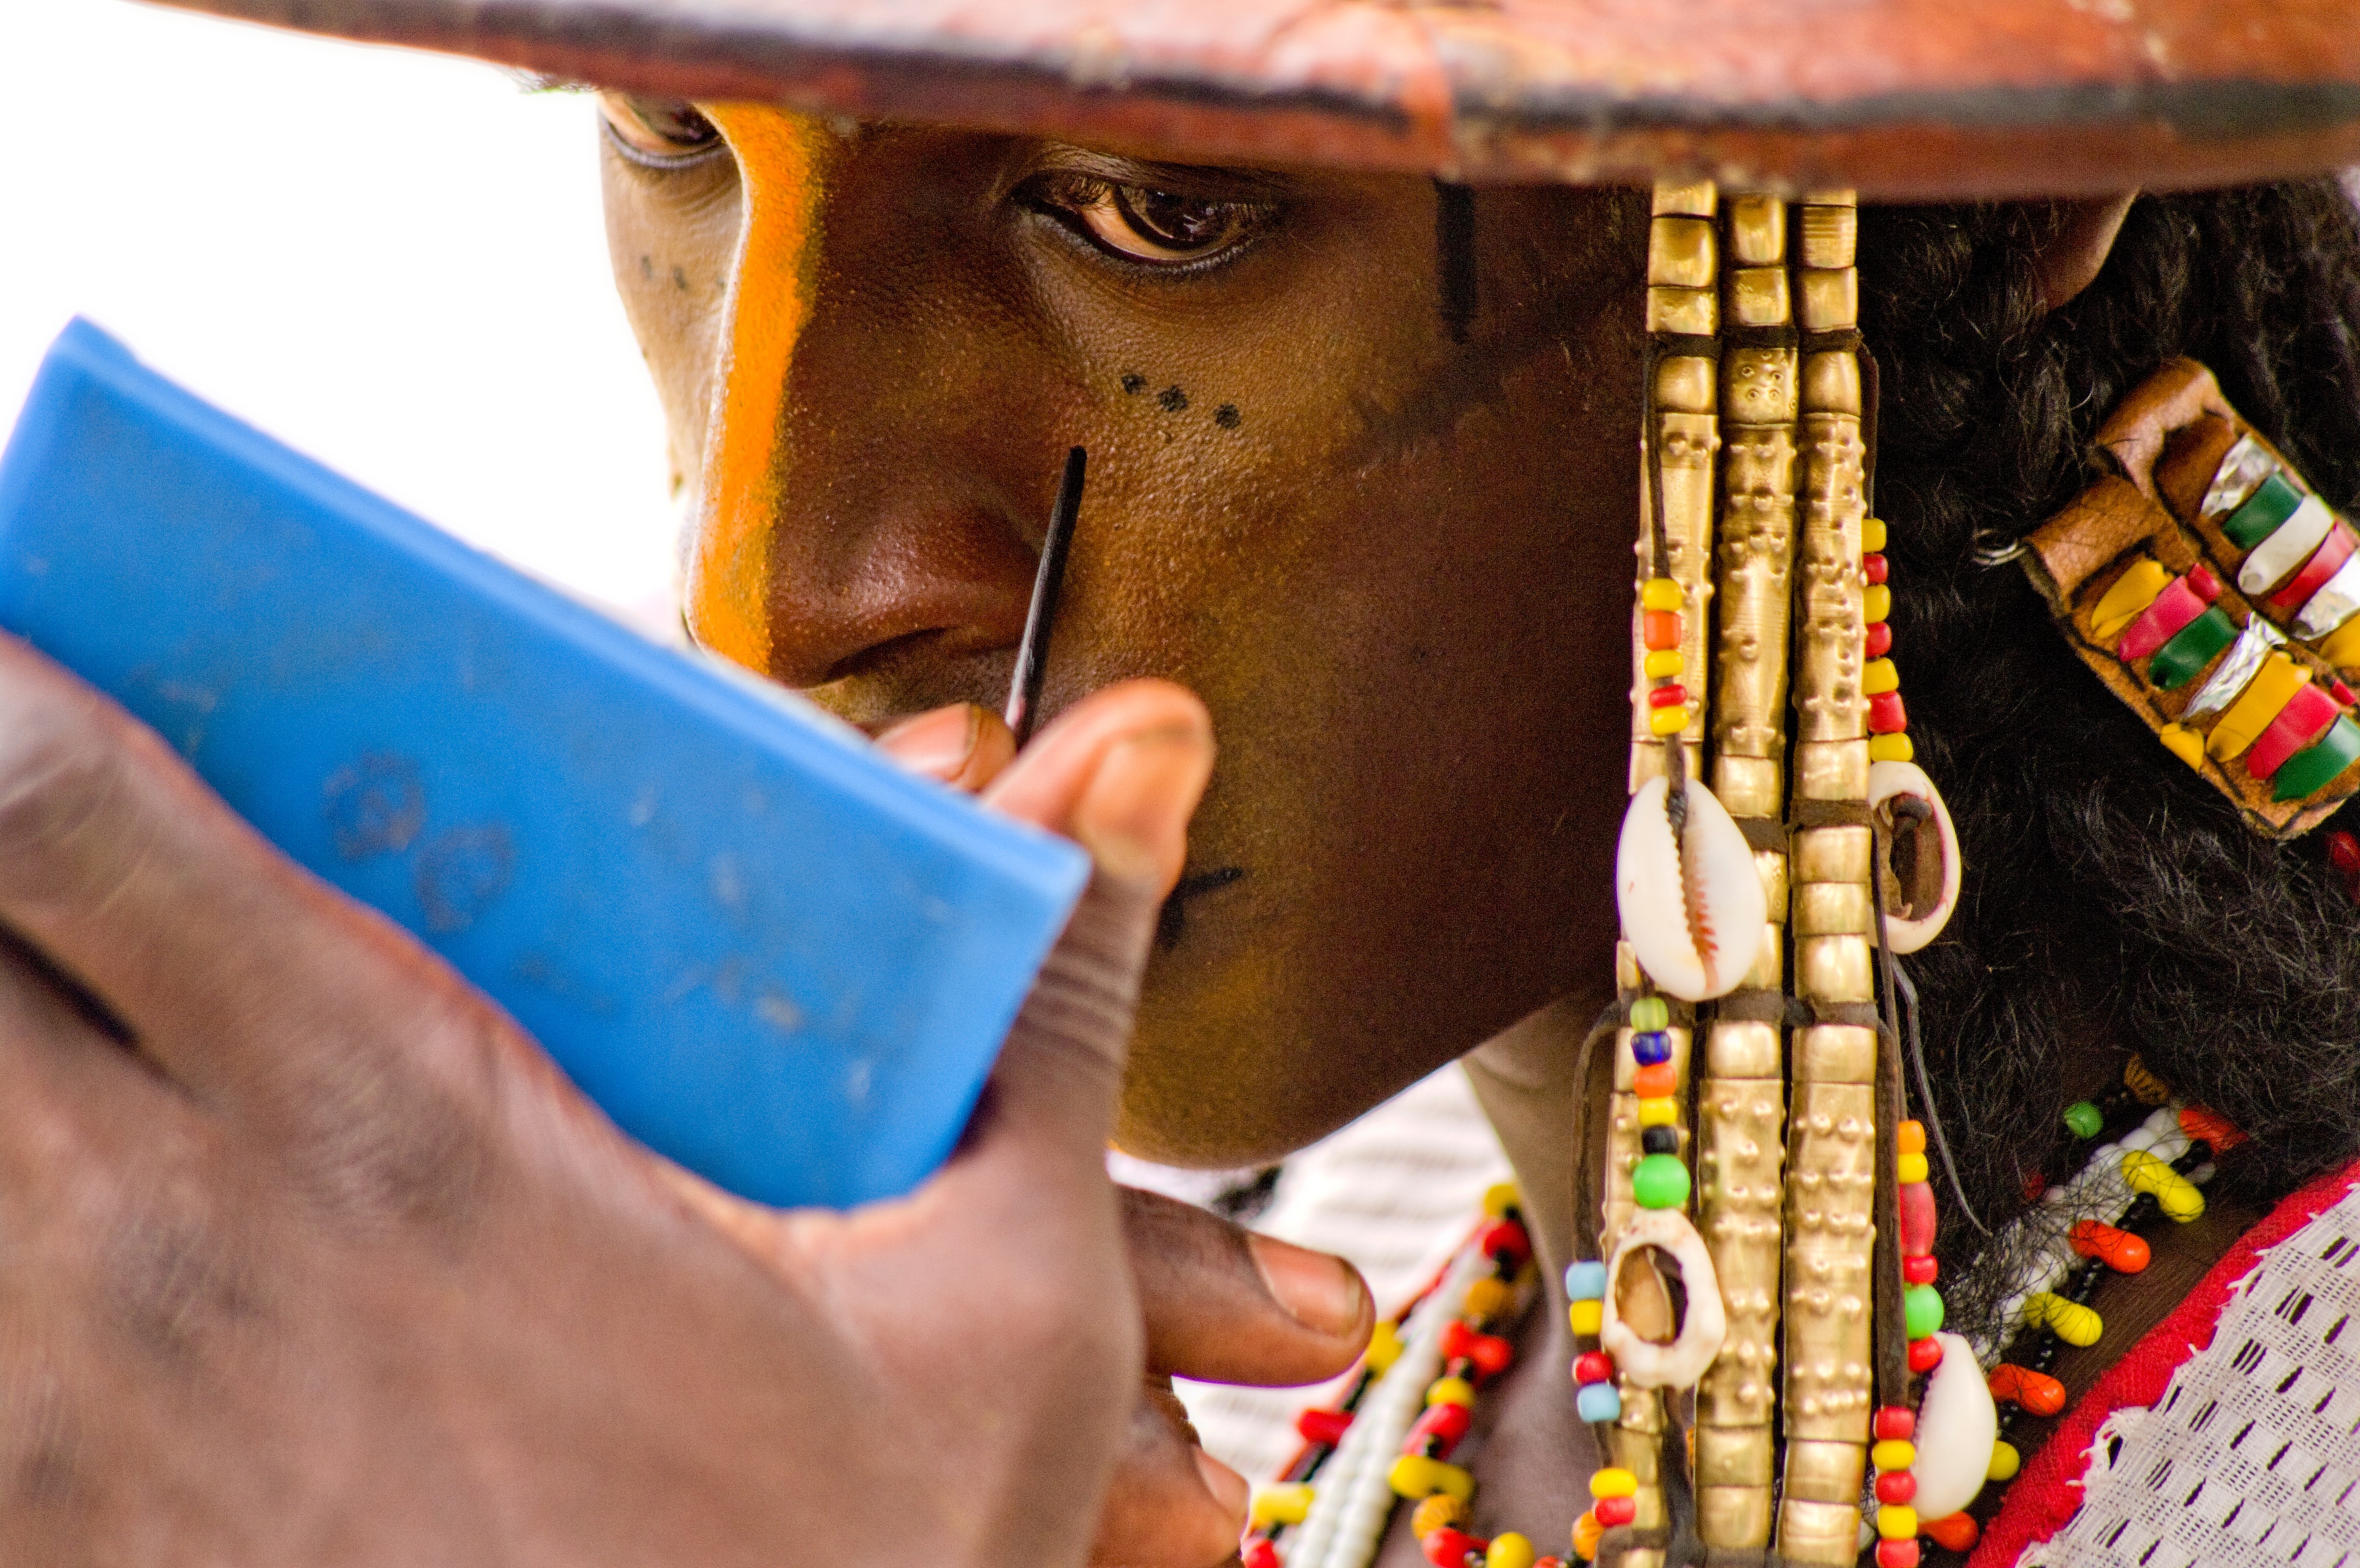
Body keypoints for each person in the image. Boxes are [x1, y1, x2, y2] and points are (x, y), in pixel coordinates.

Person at [5, 2, 2360, 1565]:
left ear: (1989, 169)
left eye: (1156, 203)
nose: (779, 586)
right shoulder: (1372, 1248)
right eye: (657, 129)